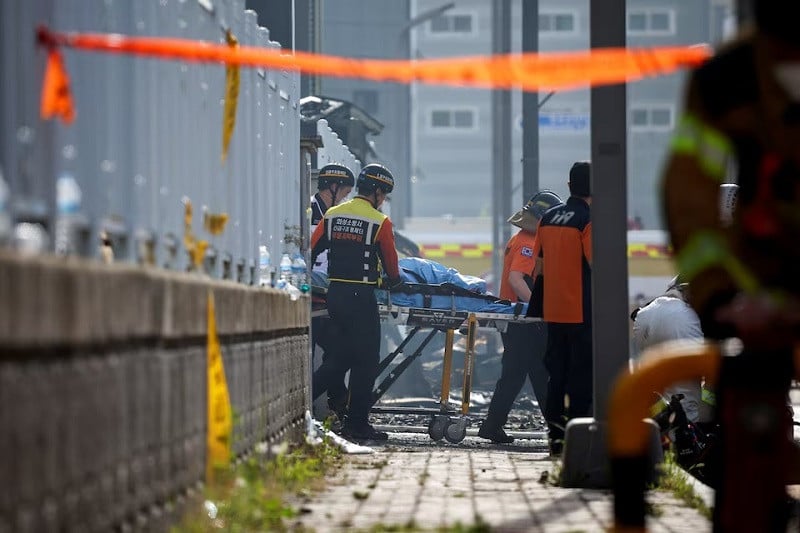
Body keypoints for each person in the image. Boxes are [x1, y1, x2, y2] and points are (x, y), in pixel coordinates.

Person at [661, 4, 800, 528]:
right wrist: (723, 299)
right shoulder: (729, 75)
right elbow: (690, 192)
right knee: (751, 426)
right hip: (761, 290)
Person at [631, 184, 740, 427]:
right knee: (687, 403)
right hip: (680, 319)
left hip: (649, 315)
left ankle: (654, 443)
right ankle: (686, 455)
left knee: (661, 394)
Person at [310, 163, 403, 441]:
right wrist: (395, 282)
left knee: (340, 357)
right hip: (361, 297)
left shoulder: (333, 215)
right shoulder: (380, 222)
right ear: (376, 191)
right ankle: (357, 424)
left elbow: (313, 249)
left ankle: (304, 397)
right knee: (365, 361)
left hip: (335, 295)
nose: (383, 200)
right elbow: (392, 267)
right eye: (384, 194)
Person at [478, 190, 563, 444]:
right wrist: (538, 309)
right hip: (525, 321)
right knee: (540, 373)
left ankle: (492, 425)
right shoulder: (529, 242)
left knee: (516, 374)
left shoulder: (522, 237)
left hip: (518, 321)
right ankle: (558, 430)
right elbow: (517, 279)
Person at [531, 161, 593, 456]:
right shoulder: (589, 220)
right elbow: (597, 265)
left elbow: (538, 269)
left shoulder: (548, 218)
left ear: (569, 186)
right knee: (581, 379)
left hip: (553, 312)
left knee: (556, 377)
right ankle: (578, 444)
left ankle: (555, 441)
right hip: (582, 312)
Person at [309, 163, 355, 419]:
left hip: (327, 296)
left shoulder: (333, 214)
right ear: (333, 187)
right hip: (314, 295)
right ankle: (337, 400)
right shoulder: (310, 212)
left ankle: (338, 399)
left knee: (339, 351)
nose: (346, 197)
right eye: (345, 192)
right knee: (338, 350)